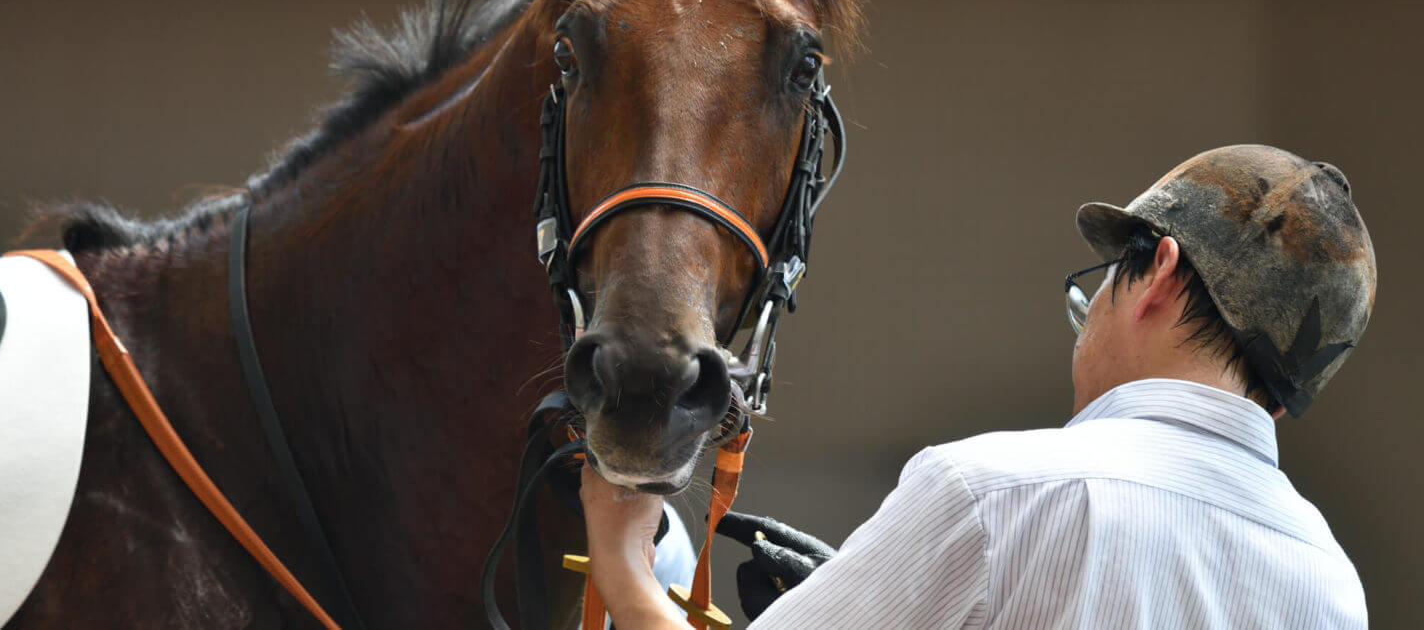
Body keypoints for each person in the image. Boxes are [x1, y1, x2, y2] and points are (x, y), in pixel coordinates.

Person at [579, 144, 1375, 628]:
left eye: (1098, 283)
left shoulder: (994, 495)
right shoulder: (1331, 586)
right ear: (1280, 394)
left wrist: (623, 559)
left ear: (1159, 270)